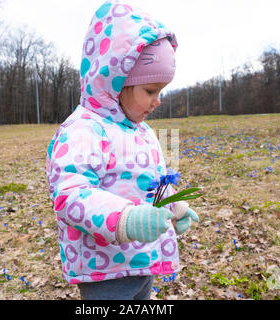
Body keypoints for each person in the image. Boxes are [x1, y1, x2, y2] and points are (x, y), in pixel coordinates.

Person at [45, 0, 199, 300]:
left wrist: (173, 205)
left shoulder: (141, 131)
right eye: (150, 91)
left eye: (161, 91)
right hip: (106, 268)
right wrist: (124, 219)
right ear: (116, 82)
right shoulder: (82, 130)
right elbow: (71, 194)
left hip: (141, 260)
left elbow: (152, 183)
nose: (157, 101)